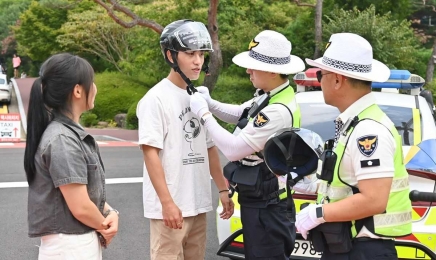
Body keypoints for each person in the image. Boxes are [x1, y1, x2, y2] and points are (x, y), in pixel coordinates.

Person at [294, 33, 412, 260]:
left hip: (363, 250)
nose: (319, 81)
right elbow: (348, 184)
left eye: (321, 74)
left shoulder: (368, 130)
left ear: (338, 80)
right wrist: (312, 187)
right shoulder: (354, 124)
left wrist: (318, 213)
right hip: (350, 246)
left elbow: (374, 199)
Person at [190, 30, 305, 259]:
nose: (248, 70)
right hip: (260, 201)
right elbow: (241, 113)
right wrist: (210, 103)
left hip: (269, 207)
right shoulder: (271, 94)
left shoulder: (278, 110)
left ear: (272, 70)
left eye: (253, 65)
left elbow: (234, 150)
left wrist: (204, 114)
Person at [136, 19, 234, 260]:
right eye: (190, 53)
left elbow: (209, 147)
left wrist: (223, 189)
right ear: (171, 55)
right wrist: (167, 203)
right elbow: (150, 153)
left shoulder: (198, 96)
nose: (198, 61)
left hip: (198, 205)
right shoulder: (155, 99)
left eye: (201, 54)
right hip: (171, 210)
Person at [24, 53, 119, 259]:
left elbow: (86, 195)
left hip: (74, 242)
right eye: (91, 82)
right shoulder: (62, 139)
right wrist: (105, 226)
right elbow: (81, 207)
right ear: (77, 90)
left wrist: (111, 213)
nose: (95, 88)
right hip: (70, 246)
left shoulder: (66, 134)